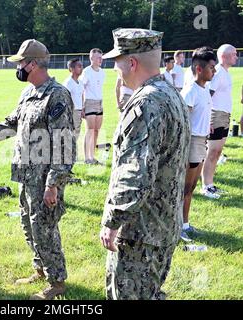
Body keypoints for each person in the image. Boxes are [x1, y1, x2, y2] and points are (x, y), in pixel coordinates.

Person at [0, 39, 76, 300]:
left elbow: (65, 144)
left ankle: (57, 282)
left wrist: (53, 184)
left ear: (33, 64)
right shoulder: (28, 94)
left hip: (45, 179)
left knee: (45, 227)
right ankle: (41, 269)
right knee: (29, 223)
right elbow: (9, 126)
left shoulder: (57, 95)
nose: (19, 67)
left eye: (21, 63)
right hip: (26, 175)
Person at [100, 28, 190, 300]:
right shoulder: (169, 94)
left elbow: (134, 174)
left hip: (140, 233)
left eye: (117, 60)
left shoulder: (146, 103)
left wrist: (112, 221)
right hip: (161, 226)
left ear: (132, 62)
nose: (115, 67)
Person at [180, 49, 217, 242]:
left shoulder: (203, 89)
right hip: (192, 142)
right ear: (199, 69)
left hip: (202, 141)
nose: (214, 71)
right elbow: (184, 122)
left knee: (192, 186)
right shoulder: (190, 91)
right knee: (184, 187)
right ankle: (178, 226)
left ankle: (185, 224)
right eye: (211, 67)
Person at [201, 44, 238, 198]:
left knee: (217, 152)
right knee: (212, 152)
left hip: (224, 115)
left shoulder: (225, 72)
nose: (237, 56)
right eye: (234, 54)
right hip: (216, 115)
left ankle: (210, 184)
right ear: (224, 56)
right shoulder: (217, 73)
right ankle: (206, 187)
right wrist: (208, 119)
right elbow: (207, 95)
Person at [80, 48, 105, 164]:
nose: (100, 59)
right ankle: (87, 158)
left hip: (99, 102)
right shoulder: (86, 72)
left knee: (96, 131)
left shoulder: (102, 72)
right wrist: (82, 106)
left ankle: (92, 156)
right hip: (89, 102)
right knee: (89, 130)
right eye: (98, 57)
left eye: (101, 57)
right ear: (91, 59)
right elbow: (81, 89)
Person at [63, 58, 85, 139]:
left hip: (78, 112)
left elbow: (81, 95)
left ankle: (73, 150)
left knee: (77, 134)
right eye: (79, 66)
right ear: (71, 69)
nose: (81, 68)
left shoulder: (80, 82)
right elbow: (65, 98)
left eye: (82, 66)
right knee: (71, 135)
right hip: (72, 112)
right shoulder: (68, 83)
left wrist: (82, 109)